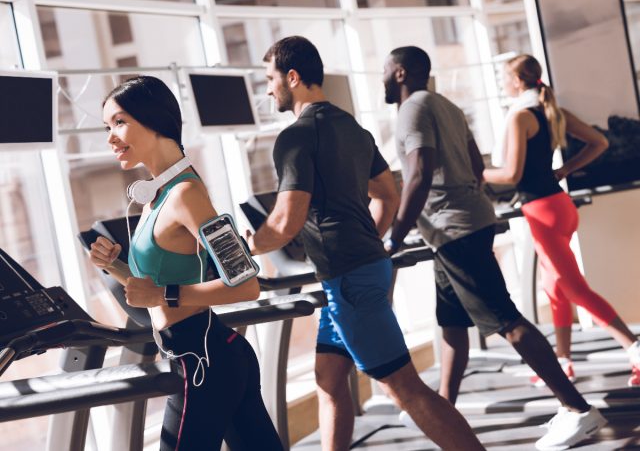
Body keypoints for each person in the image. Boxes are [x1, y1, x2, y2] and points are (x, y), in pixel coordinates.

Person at [247, 36, 484, 451]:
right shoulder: (352, 127)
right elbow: (387, 196)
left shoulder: (296, 137)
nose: (268, 89)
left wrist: (249, 246)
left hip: (349, 280)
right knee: (328, 379)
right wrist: (365, 242)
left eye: (270, 79)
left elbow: (285, 222)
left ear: (293, 77)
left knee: (405, 387)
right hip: (360, 269)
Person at [382, 45, 606, 451]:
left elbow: (418, 173)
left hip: (455, 230)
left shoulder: (412, 108)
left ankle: (577, 409)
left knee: (507, 320)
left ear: (399, 73)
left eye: (385, 70)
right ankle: (443, 406)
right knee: (451, 322)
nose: (382, 77)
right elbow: (473, 164)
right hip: (457, 226)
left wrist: (394, 237)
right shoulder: (446, 105)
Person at [90, 76, 283, 451]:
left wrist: (163, 292)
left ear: (155, 119)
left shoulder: (187, 193)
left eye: (119, 122)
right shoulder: (155, 197)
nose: (110, 138)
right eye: (107, 127)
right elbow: (153, 292)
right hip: (209, 355)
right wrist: (116, 266)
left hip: (202, 359)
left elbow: (246, 285)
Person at [483, 53, 640, 388]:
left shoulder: (520, 116)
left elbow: (511, 174)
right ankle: (564, 361)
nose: (500, 82)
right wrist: (565, 170)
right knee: (553, 287)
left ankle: (635, 348)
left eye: (503, 77)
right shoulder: (551, 111)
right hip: (560, 206)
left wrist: (475, 172)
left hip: (541, 210)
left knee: (574, 289)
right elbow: (600, 142)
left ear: (517, 81)